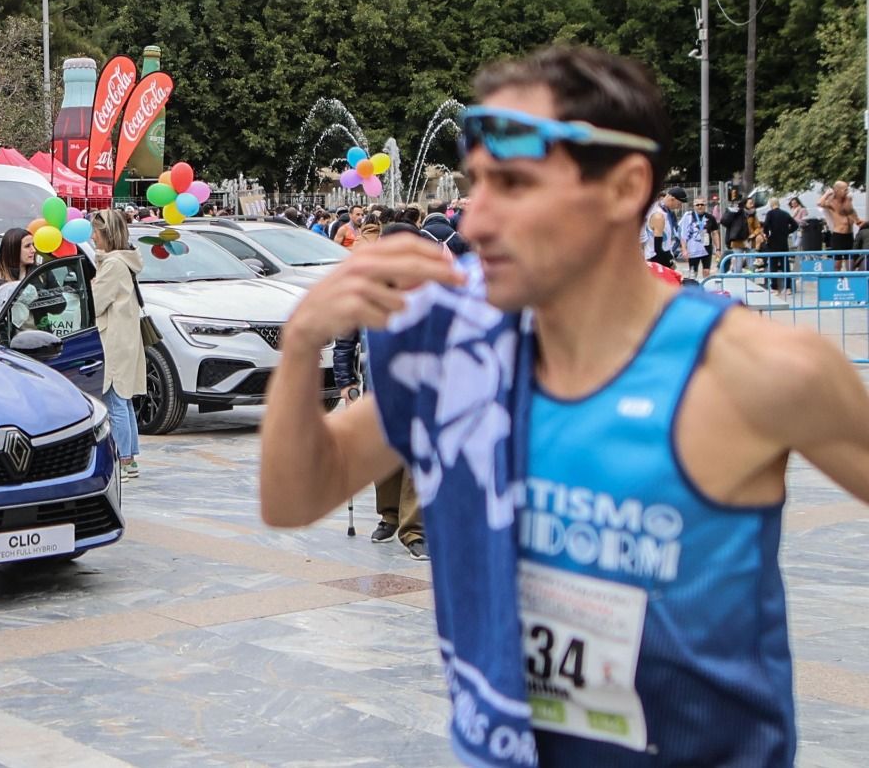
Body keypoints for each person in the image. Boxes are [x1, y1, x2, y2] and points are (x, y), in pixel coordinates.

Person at [262, 44, 869, 767]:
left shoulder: (758, 370)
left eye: (514, 185)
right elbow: (296, 499)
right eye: (475, 184)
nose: (475, 221)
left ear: (623, 187)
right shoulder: (457, 351)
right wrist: (301, 348)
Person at [90, 209, 144, 479]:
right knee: (124, 399)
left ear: (106, 235)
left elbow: (97, 303)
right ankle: (130, 457)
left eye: (96, 233)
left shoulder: (112, 265)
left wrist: (92, 283)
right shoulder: (125, 261)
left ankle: (124, 459)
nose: (92, 238)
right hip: (126, 337)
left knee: (114, 399)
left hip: (113, 337)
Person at [0, 228, 36, 324]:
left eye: (33, 245)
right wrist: (3, 302)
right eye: (27, 246)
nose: (33, 250)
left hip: (40, 333)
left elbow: (59, 307)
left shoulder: (40, 273)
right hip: (8, 335)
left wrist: (42, 294)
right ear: (13, 249)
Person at [762, 199, 799, 292]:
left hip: (773, 241)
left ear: (771, 204)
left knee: (773, 265)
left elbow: (765, 225)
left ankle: (774, 288)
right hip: (783, 242)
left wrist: (766, 234)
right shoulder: (785, 213)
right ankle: (788, 287)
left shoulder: (770, 213)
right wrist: (787, 232)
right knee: (785, 265)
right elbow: (795, 225)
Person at [642, 187, 684, 268]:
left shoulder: (665, 211)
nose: (679, 207)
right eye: (679, 204)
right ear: (672, 199)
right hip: (655, 258)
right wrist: (669, 262)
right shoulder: (658, 214)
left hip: (661, 254)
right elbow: (657, 248)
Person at [679, 195, 718, 278]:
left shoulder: (710, 217)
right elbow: (683, 234)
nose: (700, 206)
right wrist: (684, 249)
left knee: (706, 271)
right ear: (694, 206)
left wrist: (718, 248)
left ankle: (704, 288)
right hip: (693, 249)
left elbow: (715, 233)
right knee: (693, 272)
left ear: (705, 205)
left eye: (702, 204)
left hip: (706, 248)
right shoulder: (688, 216)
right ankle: (694, 288)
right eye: (697, 205)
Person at [819, 181, 859, 257]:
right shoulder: (832, 203)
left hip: (849, 234)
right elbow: (820, 203)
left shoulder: (847, 201)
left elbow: (850, 196)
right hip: (838, 235)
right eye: (845, 190)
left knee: (850, 260)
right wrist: (827, 194)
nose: (847, 192)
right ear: (837, 191)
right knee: (837, 261)